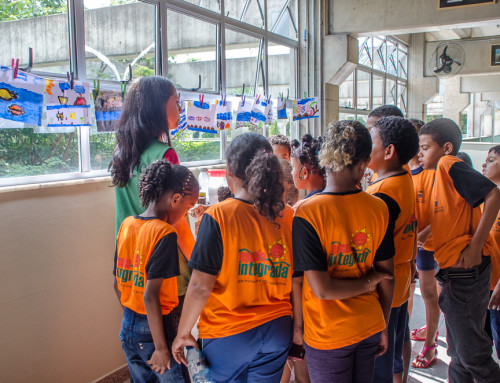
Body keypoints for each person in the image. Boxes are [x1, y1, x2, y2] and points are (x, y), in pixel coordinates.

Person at [171, 133, 295, 382]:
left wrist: (183, 332)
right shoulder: (290, 215)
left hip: (230, 334)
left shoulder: (218, 215)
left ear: (230, 170)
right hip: (279, 329)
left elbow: (199, 285)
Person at [292, 120, 395, 383]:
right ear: (362, 165)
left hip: (328, 333)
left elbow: (322, 289)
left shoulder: (307, 212)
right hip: (369, 323)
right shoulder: (379, 207)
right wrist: (382, 323)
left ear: (326, 159)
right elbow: (386, 276)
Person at [109, 76, 195, 329]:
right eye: (176, 102)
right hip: (164, 264)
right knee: (173, 343)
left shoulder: (123, 153)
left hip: (127, 264)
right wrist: (198, 262)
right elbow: (178, 224)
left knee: (140, 336)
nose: (180, 109)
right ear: (158, 107)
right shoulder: (165, 154)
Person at [419, 118, 500, 382]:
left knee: (472, 356)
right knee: (457, 352)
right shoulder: (437, 175)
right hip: (454, 271)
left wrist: (475, 246)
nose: (420, 153)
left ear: (446, 148)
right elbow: (454, 212)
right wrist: (426, 234)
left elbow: (493, 196)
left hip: (466, 270)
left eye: (425, 147)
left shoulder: (448, 163)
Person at [113, 160, 199, 383]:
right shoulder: (164, 233)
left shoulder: (127, 225)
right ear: (176, 199)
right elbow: (151, 296)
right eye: (188, 207)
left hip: (128, 325)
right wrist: (161, 349)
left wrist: (133, 317)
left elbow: (116, 283)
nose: (186, 214)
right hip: (158, 328)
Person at [366, 116, 419, 383]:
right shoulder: (404, 176)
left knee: (380, 360)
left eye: (371, 141)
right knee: (394, 350)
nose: (366, 147)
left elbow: (374, 249)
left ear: (388, 151)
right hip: (401, 284)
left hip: (384, 288)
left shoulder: (382, 194)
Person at [407, 119, 440, 369]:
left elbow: (446, 212)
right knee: (406, 293)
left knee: (429, 294)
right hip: (404, 246)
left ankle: (430, 344)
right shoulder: (399, 172)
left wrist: (424, 234)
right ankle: (422, 330)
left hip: (427, 247)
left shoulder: (433, 175)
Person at [482, 145, 500, 359]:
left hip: (498, 289)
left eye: (492, 160)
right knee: (483, 343)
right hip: (484, 287)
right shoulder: (486, 199)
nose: (485, 164)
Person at [291, 134, 325, 203]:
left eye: (292, 167)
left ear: (305, 173)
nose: (291, 172)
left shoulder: (301, 208)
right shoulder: (336, 199)